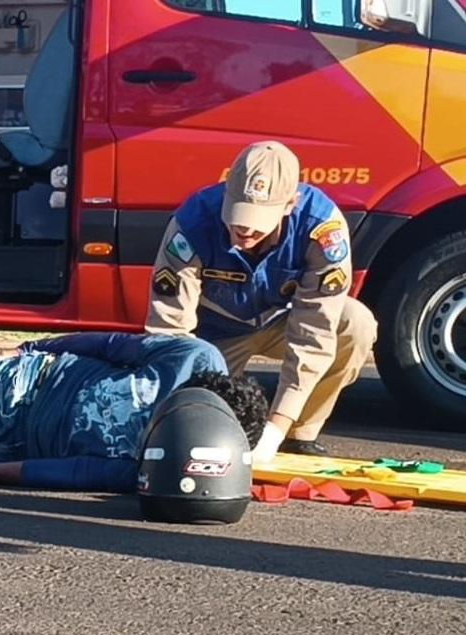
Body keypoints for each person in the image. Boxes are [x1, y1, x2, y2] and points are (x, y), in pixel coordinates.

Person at [145, 141, 378, 461]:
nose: (245, 228)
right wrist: (175, 415)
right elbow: (169, 328)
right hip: (214, 339)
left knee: (355, 324)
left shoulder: (321, 229)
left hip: (281, 323)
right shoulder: (192, 223)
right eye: (238, 213)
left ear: (290, 204)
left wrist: (275, 429)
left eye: (259, 219)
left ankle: (298, 433)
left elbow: (314, 334)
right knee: (196, 425)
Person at [0, 332, 269, 493]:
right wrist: (37, 348)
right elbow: (107, 345)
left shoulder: (169, 465)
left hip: (17, 449)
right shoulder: (191, 356)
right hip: (27, 387)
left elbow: (72, 473)